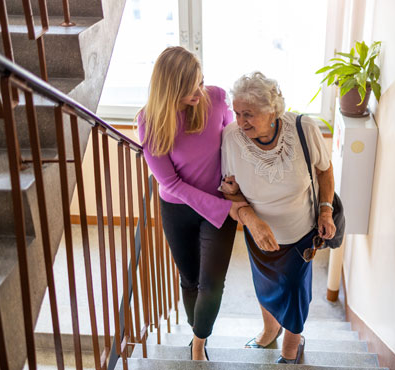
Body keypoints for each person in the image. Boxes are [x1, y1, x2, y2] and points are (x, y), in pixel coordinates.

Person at [137, 46, 247, 361]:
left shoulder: (215, 97)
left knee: (212, 283)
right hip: (178, 209)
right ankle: (197, 329)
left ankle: (199, 342)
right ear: (170, 88)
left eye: (201, 82)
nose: (200, 91)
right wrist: (226, 209)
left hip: (219, 204)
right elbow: (170, 183)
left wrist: (233, 184)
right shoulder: (149, 122)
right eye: (191, 88)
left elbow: (233, 141)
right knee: (190, 280)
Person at [219, 72, 336, 364]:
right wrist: (249, 217)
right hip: (258, 234)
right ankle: (270, 329)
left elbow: (324, 170)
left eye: (249, 114)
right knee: (266, 286)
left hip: (301, 234)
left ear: (272, 110)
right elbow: (230, 190)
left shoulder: (303, 128)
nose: (241, 121)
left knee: (295, 291)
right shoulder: (232, 138)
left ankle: (291, 347)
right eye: (237, 113)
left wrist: (325, 209)